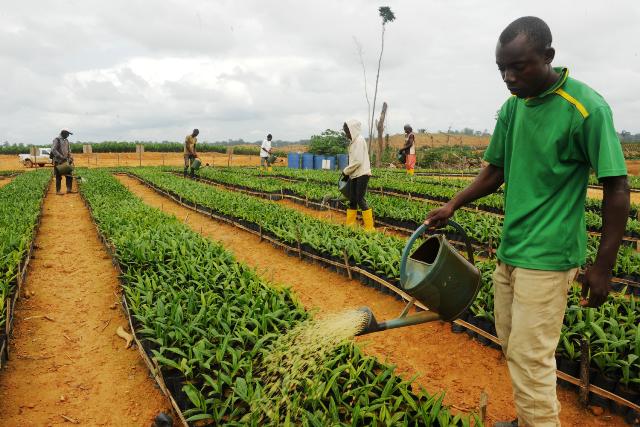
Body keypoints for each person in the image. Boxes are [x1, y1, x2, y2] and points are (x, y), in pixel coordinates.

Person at [424, 17, 629, 427]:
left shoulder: (586, 108)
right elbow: (495, 170)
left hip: (550, 257)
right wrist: (454, 204)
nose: (508, 77)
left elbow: (617, 188)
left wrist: (603, 268)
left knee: (531, 355)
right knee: (514, 345)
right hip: (511, 248)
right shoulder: (512, 107)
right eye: (502, 68)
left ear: (548, 57)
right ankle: (530, 418)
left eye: (519, 67)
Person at [342, 119, 374, 231]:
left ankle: (370, 228)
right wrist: (348, 173)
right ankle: (350, 225)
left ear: (353, 130)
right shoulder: (354, 141)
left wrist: (346, 171)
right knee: (352, 199)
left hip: (362, 174)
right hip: (355, 174)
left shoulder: (359, 141)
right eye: (346, 132)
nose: (347, 134)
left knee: (360, 199)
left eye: (347, 131)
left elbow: (358, 161)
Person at [51, 130, 74, 195]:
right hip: (58, 161)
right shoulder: (57, 140)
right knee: (58, 176)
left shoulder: (66, 141)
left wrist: (70, 157)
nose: (68, 135)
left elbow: (68, 151)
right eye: (67, 134)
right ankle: (58, 191)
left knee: (69, 175)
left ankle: (69, 189)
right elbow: (53, 150)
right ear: (63, 133)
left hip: (65, 161)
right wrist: (61, 157)